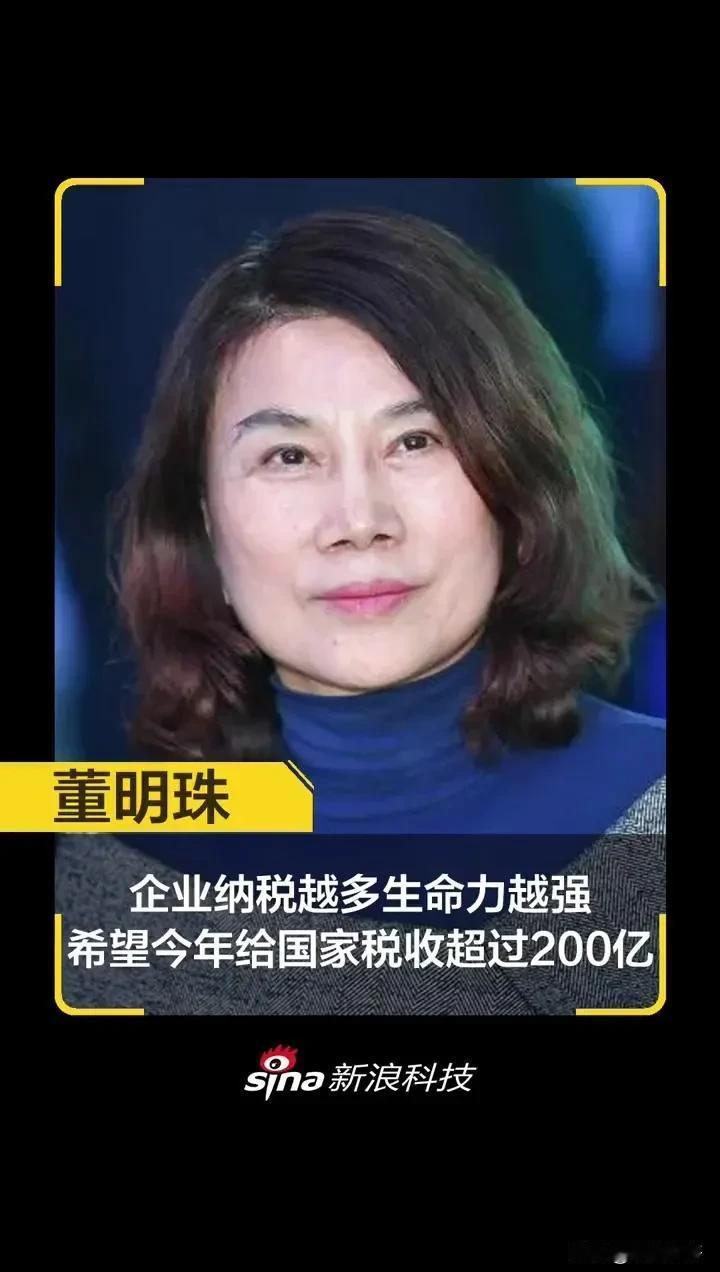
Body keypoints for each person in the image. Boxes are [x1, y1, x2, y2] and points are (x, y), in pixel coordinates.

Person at [55, 208, 666, 1015]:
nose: (358, 519)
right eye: (288, 456)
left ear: (515, 486)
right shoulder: (92, 839)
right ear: (202, 521)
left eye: (416, 442)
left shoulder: (648, 805)